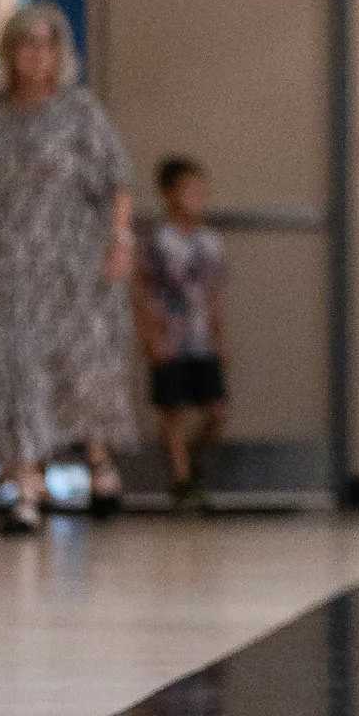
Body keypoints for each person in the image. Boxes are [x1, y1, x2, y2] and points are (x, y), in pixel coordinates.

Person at [0, 1, 134, 534]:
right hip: (1, 262)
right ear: (10, 53)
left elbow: (117, 179)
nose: (37, 56)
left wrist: (119, 238)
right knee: (12, 371)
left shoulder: (79, 112)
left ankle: (98, 460)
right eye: (26, 45)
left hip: (67, 263)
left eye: (47, 45)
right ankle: (26, 489)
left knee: (74, 368)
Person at [135, 154, 228, 510]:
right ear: (169, 194)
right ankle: (182, 479)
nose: (198, 198)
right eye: (190, 190)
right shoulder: (160, 243)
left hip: (201, 338)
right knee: (171, 410)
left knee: (215, 412)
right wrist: (149, 336)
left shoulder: (210, 243)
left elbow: (215, 295)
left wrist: (220, 339)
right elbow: (142, 292)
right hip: (170, 338)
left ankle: (191, 460)